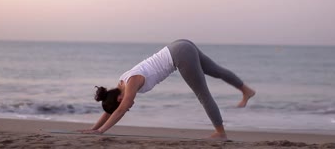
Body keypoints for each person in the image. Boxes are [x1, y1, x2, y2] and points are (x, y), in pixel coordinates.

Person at [79, 39, 255, 140]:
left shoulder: (131, 83)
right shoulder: (121, 83)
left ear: (118, 99)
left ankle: (220, 132)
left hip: (180, 54)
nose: (128, 106)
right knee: (215, 70)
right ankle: (246, 90)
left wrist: (101, 132)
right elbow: (112, 110)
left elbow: (120, 110)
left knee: (203, 94)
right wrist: (94, 128)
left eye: (125, 105)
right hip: (180, 46)